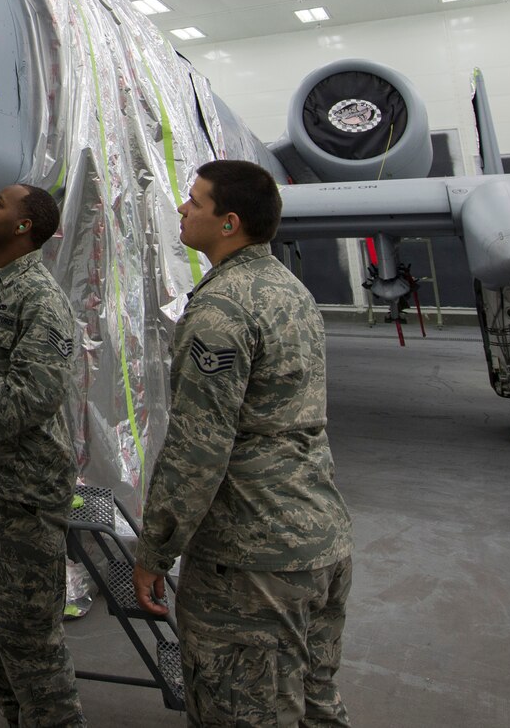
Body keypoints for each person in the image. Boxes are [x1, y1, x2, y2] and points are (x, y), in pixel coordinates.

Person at [131, 160, 353, 727]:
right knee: (314, 706)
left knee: (241, 711)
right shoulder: (289, 291)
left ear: (228, 223)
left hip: (253, 563)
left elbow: (197, 451)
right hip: (318, 538)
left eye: (195, 202)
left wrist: (156, 551)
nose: (182, 209)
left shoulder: (221, 309)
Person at [0, 182, 84, 727]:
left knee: (31, 646)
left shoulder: (40, 300)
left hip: (23, 499)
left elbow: (26, 399)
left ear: (24, 227)